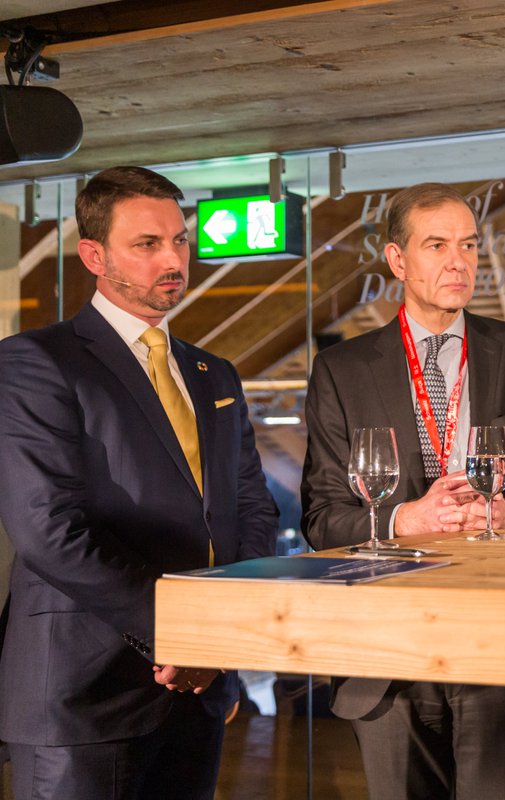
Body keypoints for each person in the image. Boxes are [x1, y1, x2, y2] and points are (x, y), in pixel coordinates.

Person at [0, 166, 279, 799]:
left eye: (180, 240)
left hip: (199, 690)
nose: (174, 259)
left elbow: (250, 510)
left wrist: (220, 641)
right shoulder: (36, 361)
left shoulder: (214, 373)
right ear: (93, 256)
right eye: (147, 244)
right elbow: (48, 530)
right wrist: (182, 634)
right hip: (83, 694)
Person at [301, 182, 505, 800]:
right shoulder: (342, 371)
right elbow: (322, 518)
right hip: (386, 647)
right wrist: (404, 520)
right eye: (437, 245)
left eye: (469, 245)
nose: (459, 262)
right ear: (398, 260)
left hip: (493, 639)